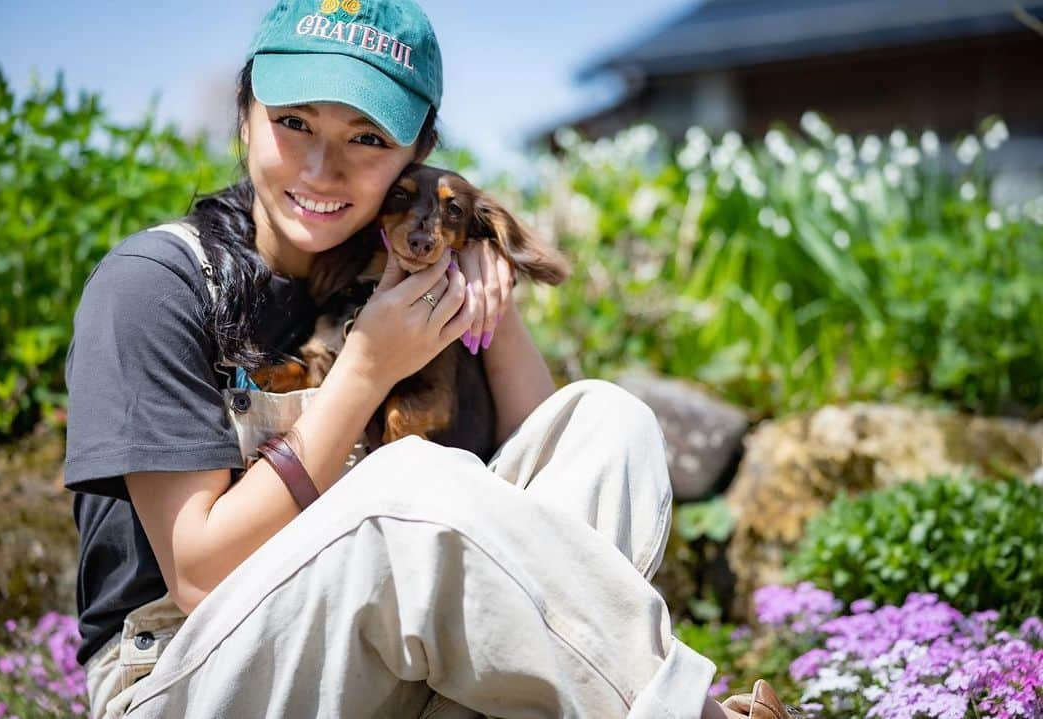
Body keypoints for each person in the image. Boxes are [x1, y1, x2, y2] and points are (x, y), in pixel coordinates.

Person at [64, 1, 756, 717]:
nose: (323, 168)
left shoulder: (401, 254)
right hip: (194, 670)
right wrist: (365, 369)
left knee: (606, 423)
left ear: (415, 155)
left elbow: (540, 482)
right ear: (245, 114)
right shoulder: (155, 285)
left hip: (383, 663)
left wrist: (487, 281)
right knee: (412, 481)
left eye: (367, 136)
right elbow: (202, 575)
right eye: (293, 121)